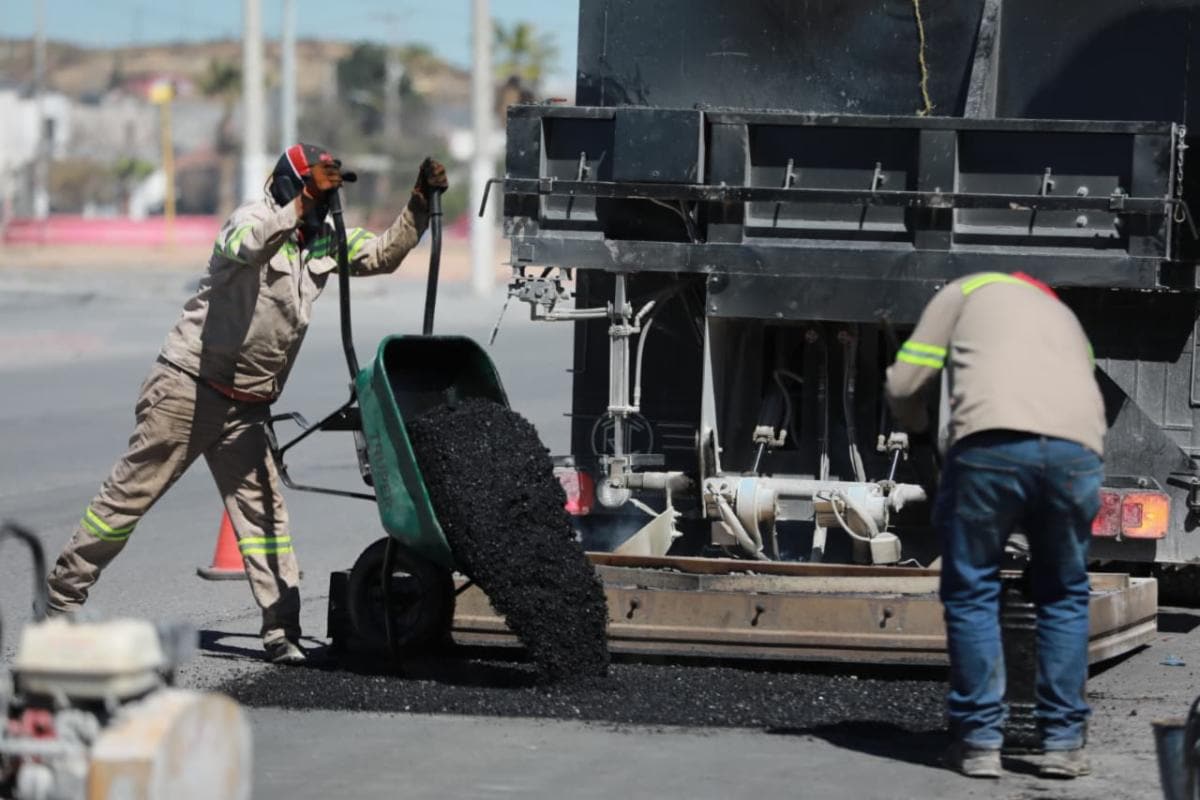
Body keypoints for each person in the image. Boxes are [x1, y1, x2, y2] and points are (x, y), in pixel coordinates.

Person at [45, 143, 449, 664]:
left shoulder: (322, 240)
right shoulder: (251, 220)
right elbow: (249, 246)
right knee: (123, 505)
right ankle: (60, 601)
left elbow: (383, 255)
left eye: (330, 189)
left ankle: (282, 632)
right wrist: (301, 204)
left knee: (264, 521)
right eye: (318, 186)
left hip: (246, 406)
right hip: (188, 389)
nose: (328, 199)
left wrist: (417, 204)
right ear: (291, 185)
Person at [885, 271, 1105, 780]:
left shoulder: (963, 291)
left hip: (992, 448)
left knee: (973, 590)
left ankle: (981, 740)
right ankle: (1064, 744)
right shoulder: (1066, 318)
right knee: (1064, 593)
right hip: (1078, 456)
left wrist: (918, 430)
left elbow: (903, 382)